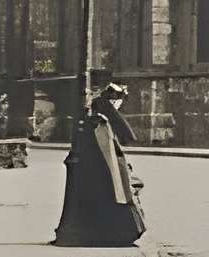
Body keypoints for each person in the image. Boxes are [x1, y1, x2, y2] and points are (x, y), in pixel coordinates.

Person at [53, 81, 146, 247]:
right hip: (98, 166)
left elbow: (119, 140)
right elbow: (122, 138)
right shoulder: (100, 116)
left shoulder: (98, 116)